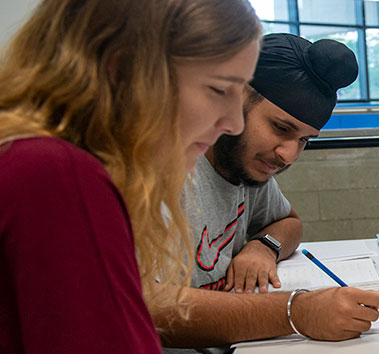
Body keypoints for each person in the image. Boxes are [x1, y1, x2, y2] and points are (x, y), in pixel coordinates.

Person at [0, 0, 261, 353]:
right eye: (218, 89)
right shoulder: (59, 176)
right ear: (124, 69)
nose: (235, 123)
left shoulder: (27, 156)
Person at [158, 33, 379, 353]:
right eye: (281, 128)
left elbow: (289, 222)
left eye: (305, 140)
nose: (289, 155)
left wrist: (264, 246)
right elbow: (146, 306)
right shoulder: (159, 170)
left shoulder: (244, 167)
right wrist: (296, 312)